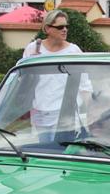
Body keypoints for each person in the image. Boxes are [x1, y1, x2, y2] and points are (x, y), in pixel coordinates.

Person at [20, 9, 89, 142]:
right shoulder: (33, 49)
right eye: (60, 27)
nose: (64, 30)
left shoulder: (74, 51)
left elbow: (85, 84)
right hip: (40, 110)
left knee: (61, 151)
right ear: (47, 29)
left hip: (66, 113)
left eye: (66, 26)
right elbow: (23, 80)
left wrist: (88, 114)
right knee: (45, 148)